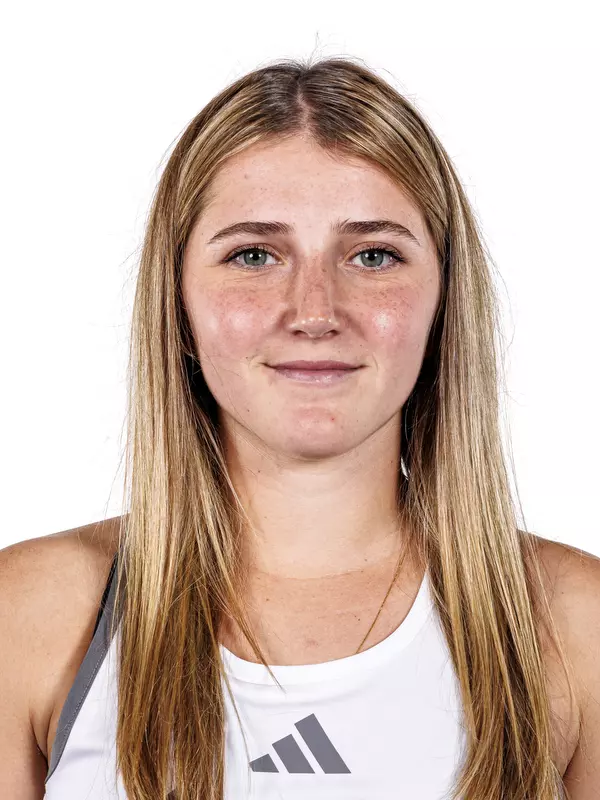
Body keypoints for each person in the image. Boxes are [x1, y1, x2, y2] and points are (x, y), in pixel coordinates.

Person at [0, 55, 597, 800]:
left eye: (373, 255)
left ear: (444, 300)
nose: (314, 311)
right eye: (253, 254)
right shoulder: (32, 614)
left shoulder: (574, 626)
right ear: (176, 302)